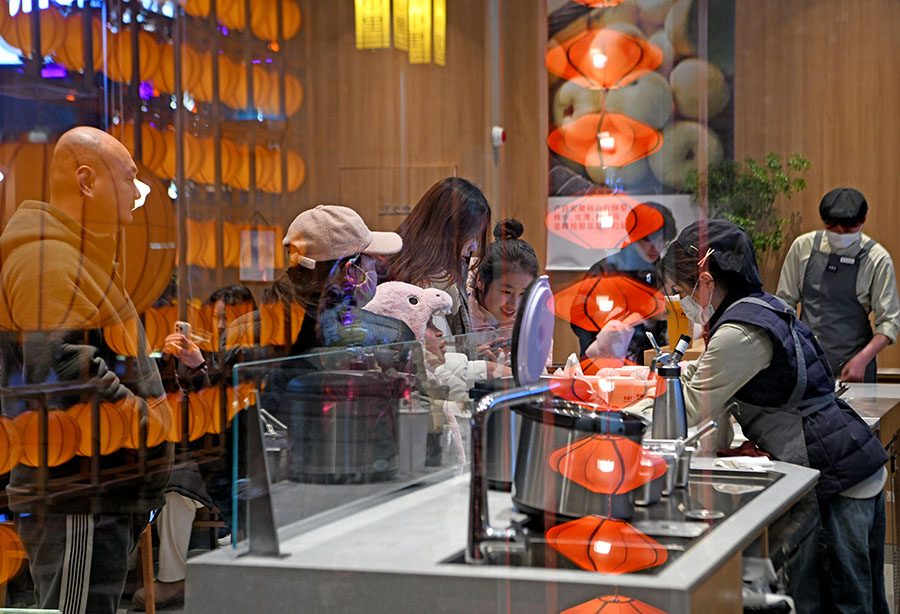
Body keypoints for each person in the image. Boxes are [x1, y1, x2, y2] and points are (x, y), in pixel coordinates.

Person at [661, 219, 889, 614]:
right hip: (851, 459)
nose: (682, 302)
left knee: (844, 603)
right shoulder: (759, 307)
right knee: (862, 598)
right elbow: (708, 384)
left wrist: (636, 408)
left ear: (706, 281)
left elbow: (692, 406)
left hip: (835, 474)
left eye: (682, 292)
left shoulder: (739, 331)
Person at [0, 127, 172, 613]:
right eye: (129, 177)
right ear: (87, 181)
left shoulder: (72, 253)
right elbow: (61, 368)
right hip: (78, 496)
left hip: (95, 490)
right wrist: (146, 421)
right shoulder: (48, 258)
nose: (137, 192)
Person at [132, 284, 258, 610]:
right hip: (190, 447)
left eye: (229, 317)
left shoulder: (250, 352)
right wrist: (170, 365)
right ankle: (132, 564)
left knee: (175, 488)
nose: (221, 324)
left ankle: (171, 579)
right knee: (148, 474)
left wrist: (201, 368)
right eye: (216, 317)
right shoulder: (203, 349)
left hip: (227, 455)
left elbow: (229, 409)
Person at [777, 187, 900, 382]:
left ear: (864, 219)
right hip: (808, 363)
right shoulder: (803, 247)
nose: (840, 231)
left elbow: (889, 322)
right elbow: (784, 304)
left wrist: (863, 358)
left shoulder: (877, 259)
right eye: (832, 225)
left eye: (849, 225)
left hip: (855, 368)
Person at [385, 177, 491, 339]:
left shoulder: (442, 278)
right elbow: (430, 353)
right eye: (471, 235)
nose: (474, 247)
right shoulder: (416, 287)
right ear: (446, 231)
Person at [571, 201, 677, 364]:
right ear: (633, 236)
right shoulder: (605, 272)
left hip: (653, 361)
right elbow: (580, 321)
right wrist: (642, 311)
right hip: (606, 363)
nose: (656, 247)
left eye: (662, 240)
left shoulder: (664, 271)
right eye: (648, 240)